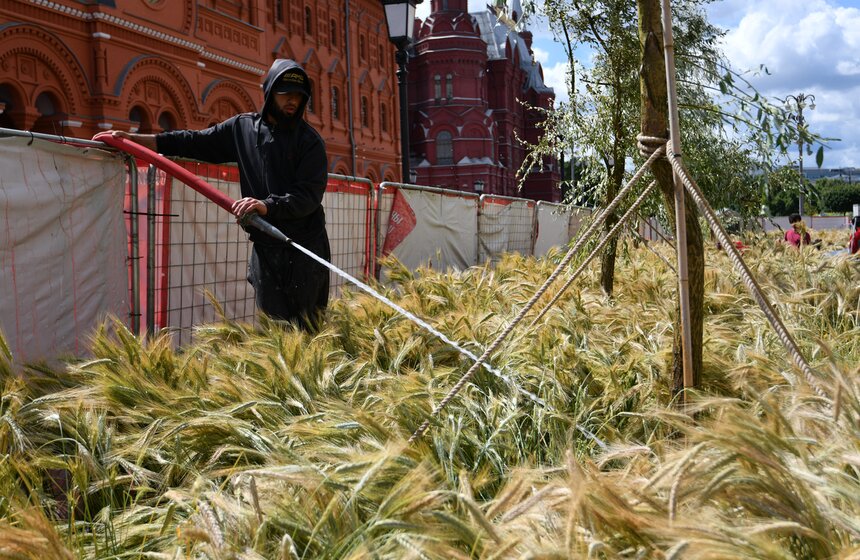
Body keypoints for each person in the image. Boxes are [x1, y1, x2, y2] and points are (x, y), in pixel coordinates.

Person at [98, 59, 330, 329]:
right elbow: (195, 142)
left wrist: (267, 206)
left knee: (308, 332)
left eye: (298, 96)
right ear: (268, 92)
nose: (292, 100)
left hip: (304, 249)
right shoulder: (242, 129)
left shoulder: (310, 142)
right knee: (274, 333)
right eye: (285, 93)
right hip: (266, 248)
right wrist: (141, 141)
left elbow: (308, 197)